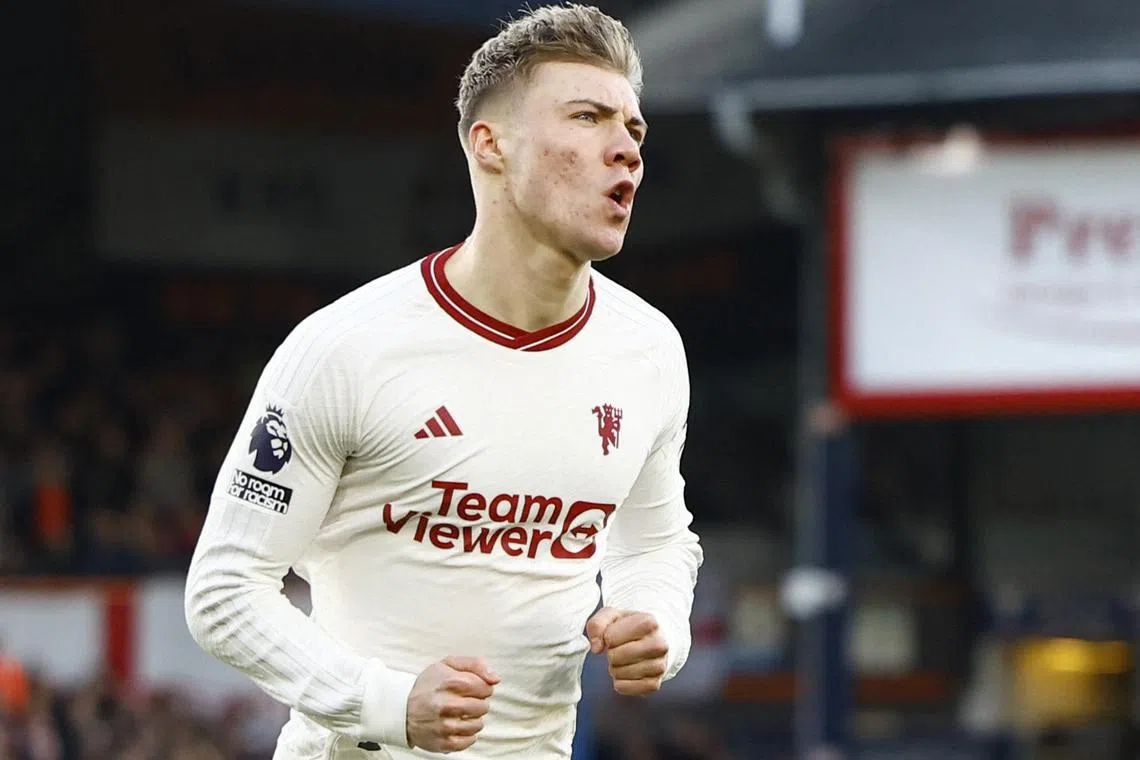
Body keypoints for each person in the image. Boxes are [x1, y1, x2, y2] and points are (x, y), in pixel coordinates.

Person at [184, 4, 703, 758]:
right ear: (489, 145)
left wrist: (656, 620)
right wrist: (381, 704)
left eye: (634, 129)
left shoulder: (648, 349)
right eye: (589, 118)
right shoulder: (346, 348)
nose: (625, 150)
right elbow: (224, 591)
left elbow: (655, 542)